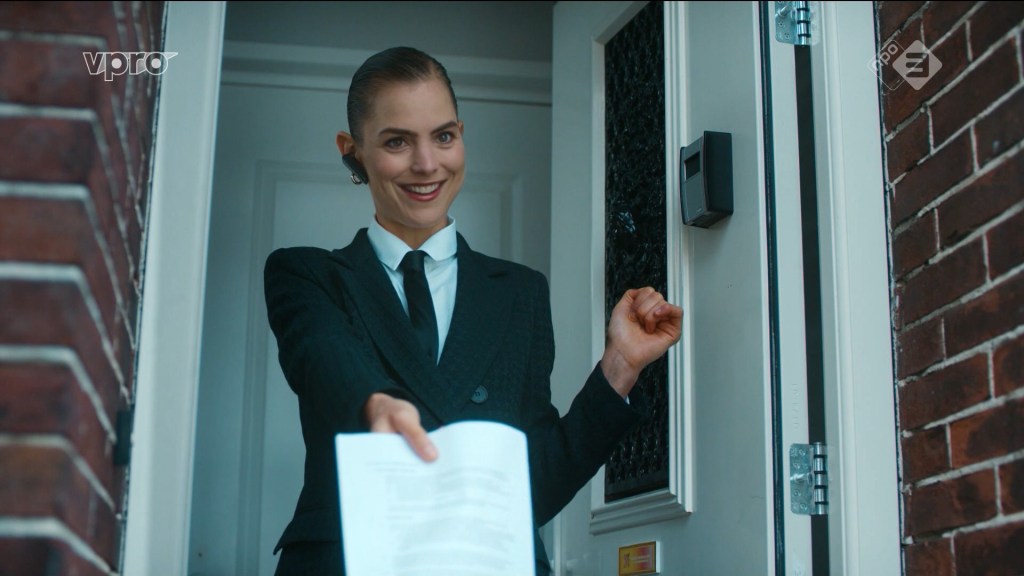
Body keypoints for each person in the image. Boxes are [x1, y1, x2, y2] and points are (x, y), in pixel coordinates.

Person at [263, 46, 683, 576]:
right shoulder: (309, 275)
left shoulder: (519, 293)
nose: (427, 164)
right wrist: (377, 404)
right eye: (396, 141)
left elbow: (532, 490)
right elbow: (325, 359)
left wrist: (619, 367)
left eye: (443, 136)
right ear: (353, 152)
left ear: (460, 134)